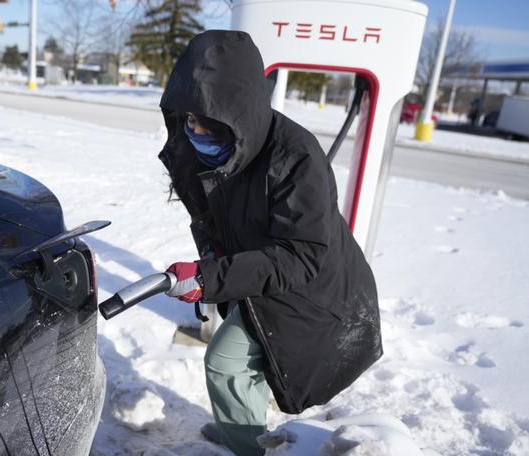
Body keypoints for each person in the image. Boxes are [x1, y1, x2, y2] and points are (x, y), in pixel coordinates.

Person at [159, 30, 382, 455]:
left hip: (311, 291)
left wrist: (210, 278)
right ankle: (241, 428)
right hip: (258, 275)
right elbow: (204, 215)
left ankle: (248, 447)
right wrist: (212, 253)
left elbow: (302, 256)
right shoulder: (195, 149)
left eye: (208, 123)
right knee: (243, 367)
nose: (195, 131)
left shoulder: (295, 156)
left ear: (239, 114)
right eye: (189, 119)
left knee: (226, 363)